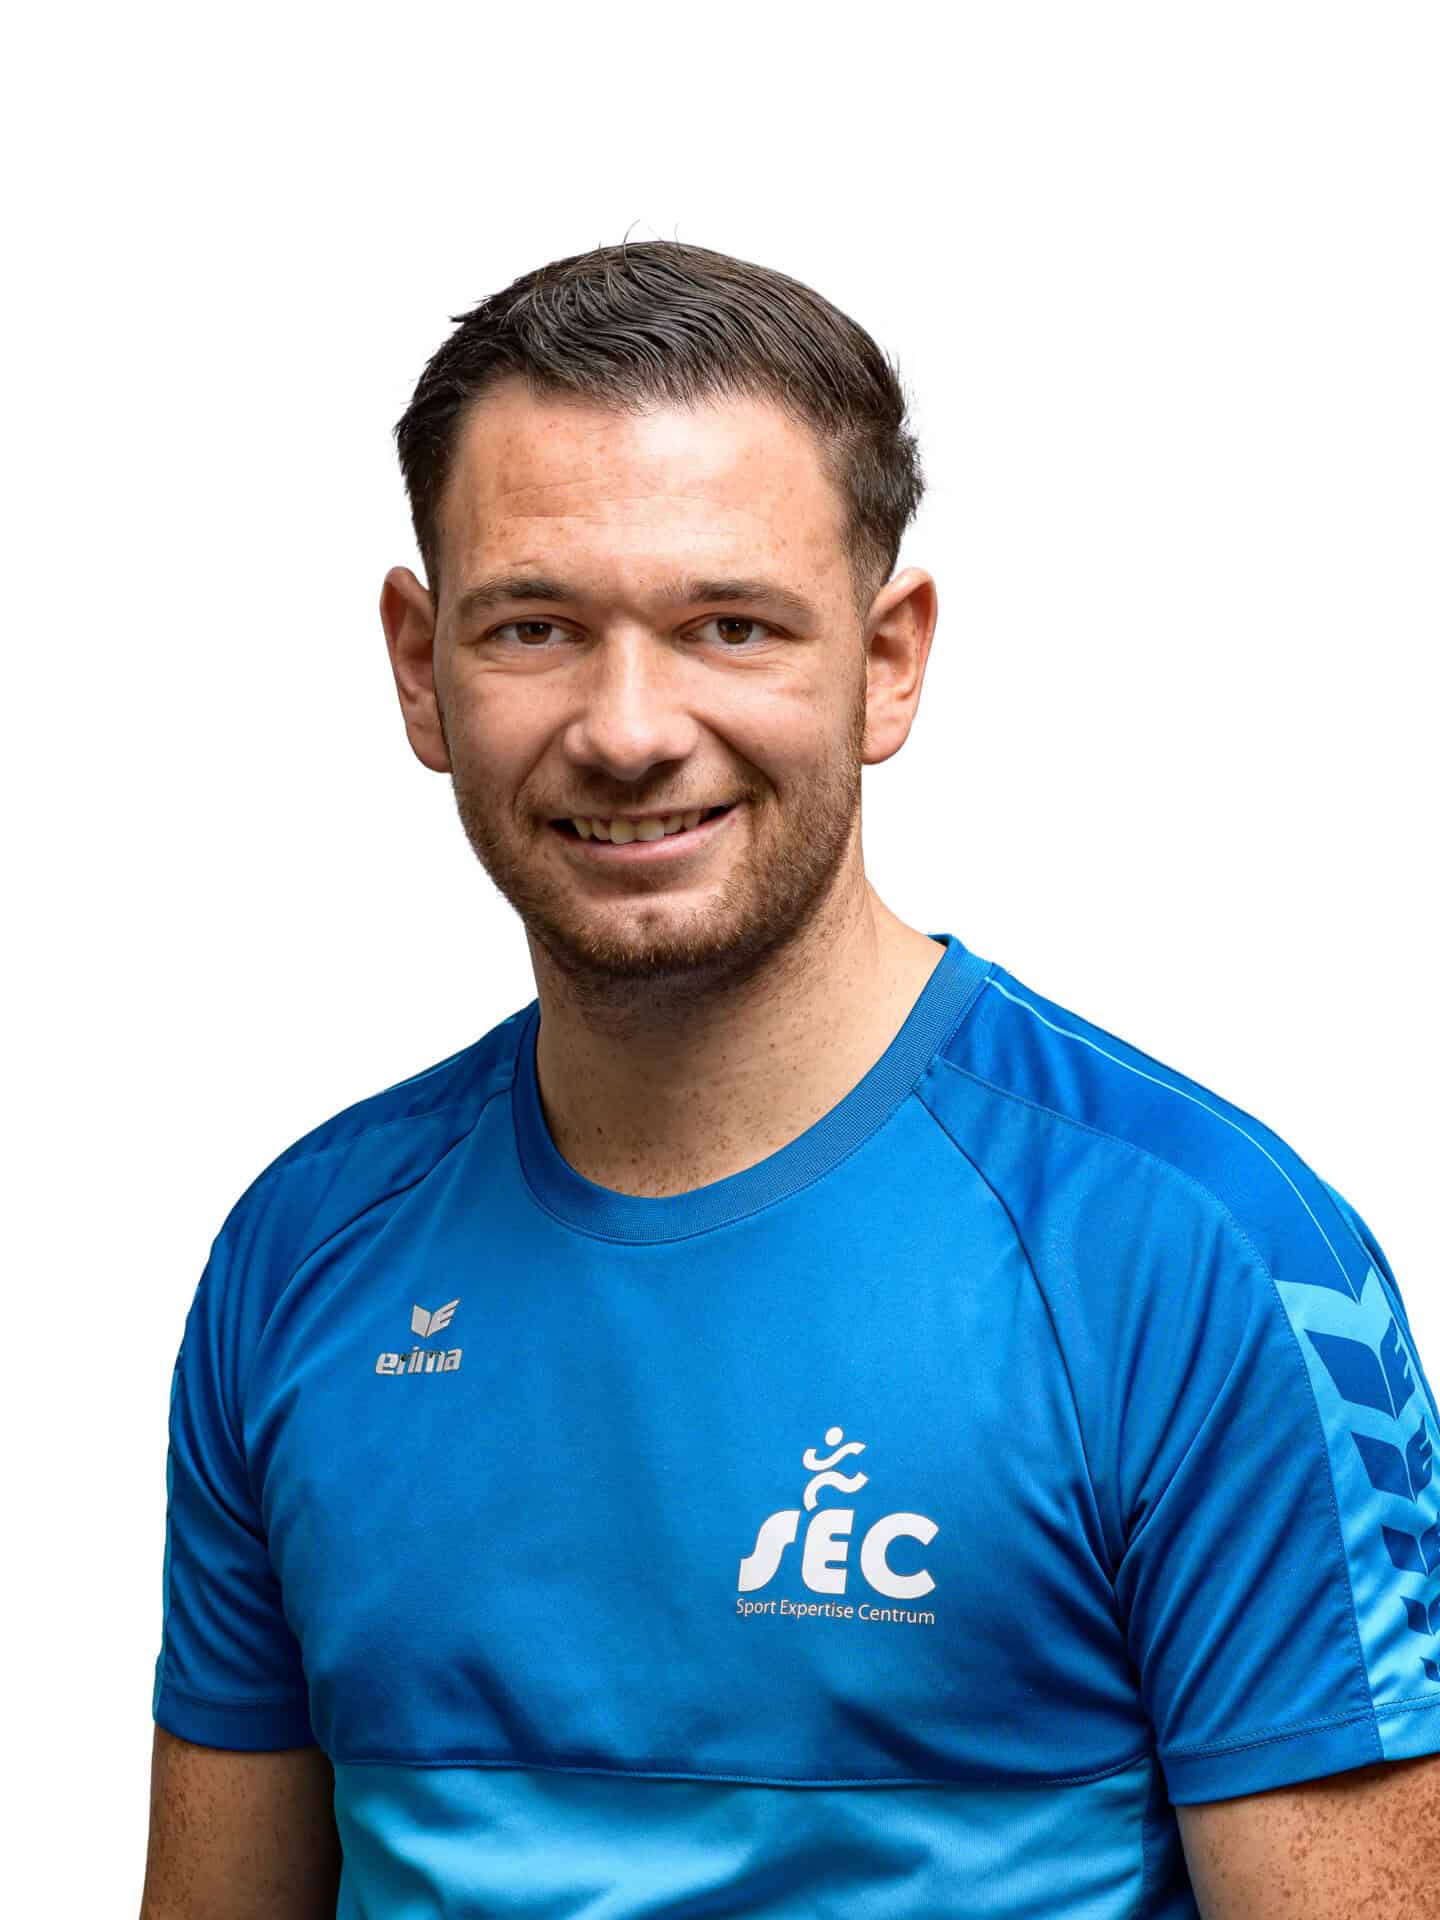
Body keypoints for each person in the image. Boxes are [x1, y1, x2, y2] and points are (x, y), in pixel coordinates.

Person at [141, 241, 1440, 1919]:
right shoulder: (298, 1261)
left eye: (729, 627)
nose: (627, 729)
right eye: (536, 626)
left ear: (889, 660)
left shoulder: (1195, 1263)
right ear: (419, 664)